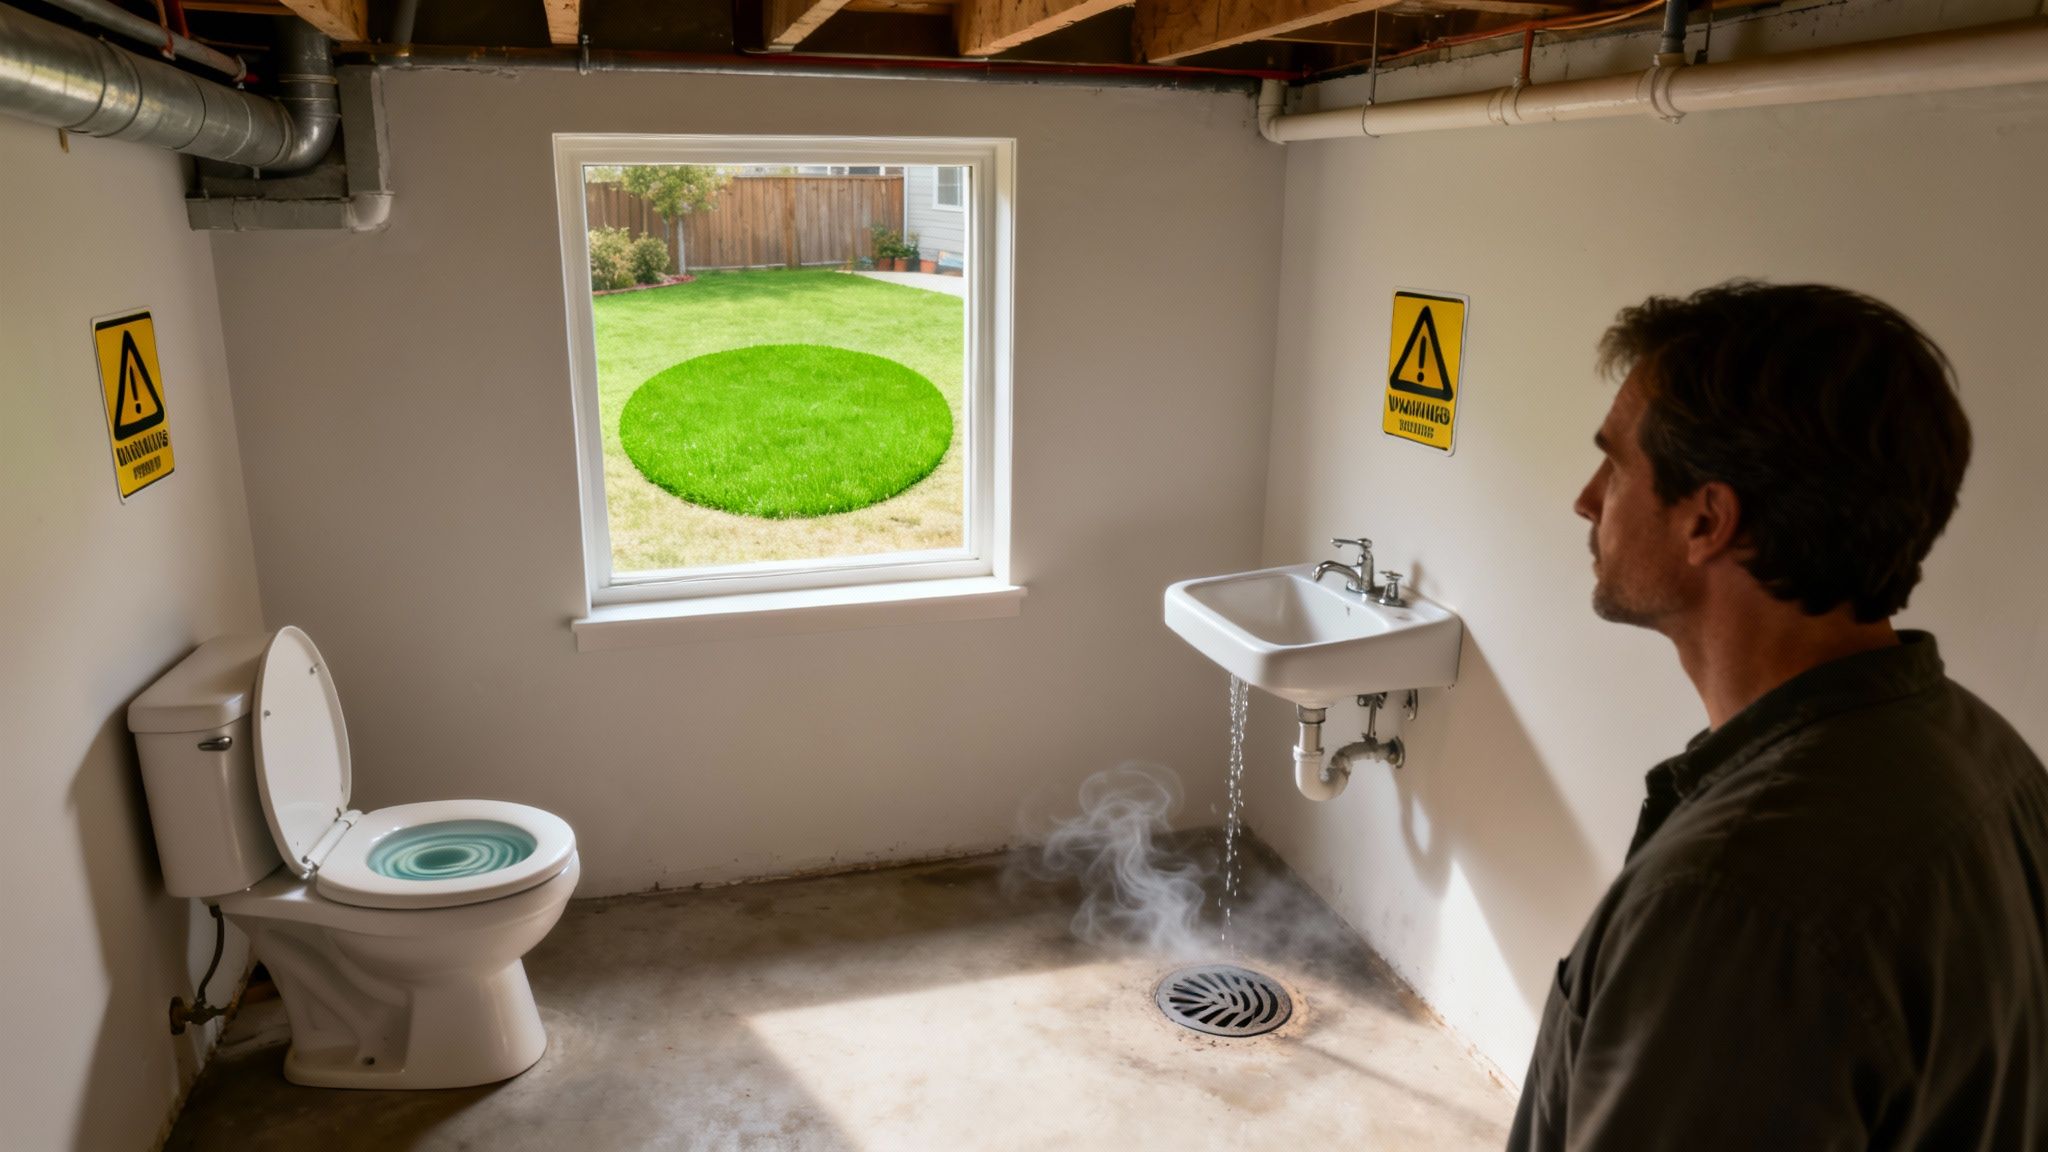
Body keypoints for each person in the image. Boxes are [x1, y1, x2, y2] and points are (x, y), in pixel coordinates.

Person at [1507, 281, 2048, 1151]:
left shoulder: (1732, 906)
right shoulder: (1989, 755)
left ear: (1708, 521)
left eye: (1617, 464)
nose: (1587, 497)